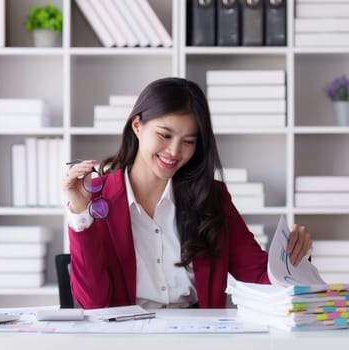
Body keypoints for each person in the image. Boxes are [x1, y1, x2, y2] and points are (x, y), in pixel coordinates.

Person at [61, 77, 312, 309]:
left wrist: (291, 255)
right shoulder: (97, 199)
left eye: (189, 141)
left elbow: (259, 277)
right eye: (164, 135)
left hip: (200, 338)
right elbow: (92, 305)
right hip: (127, 339)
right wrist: (81, 214)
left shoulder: (211, 196)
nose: (174, 151)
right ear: (137, 126)